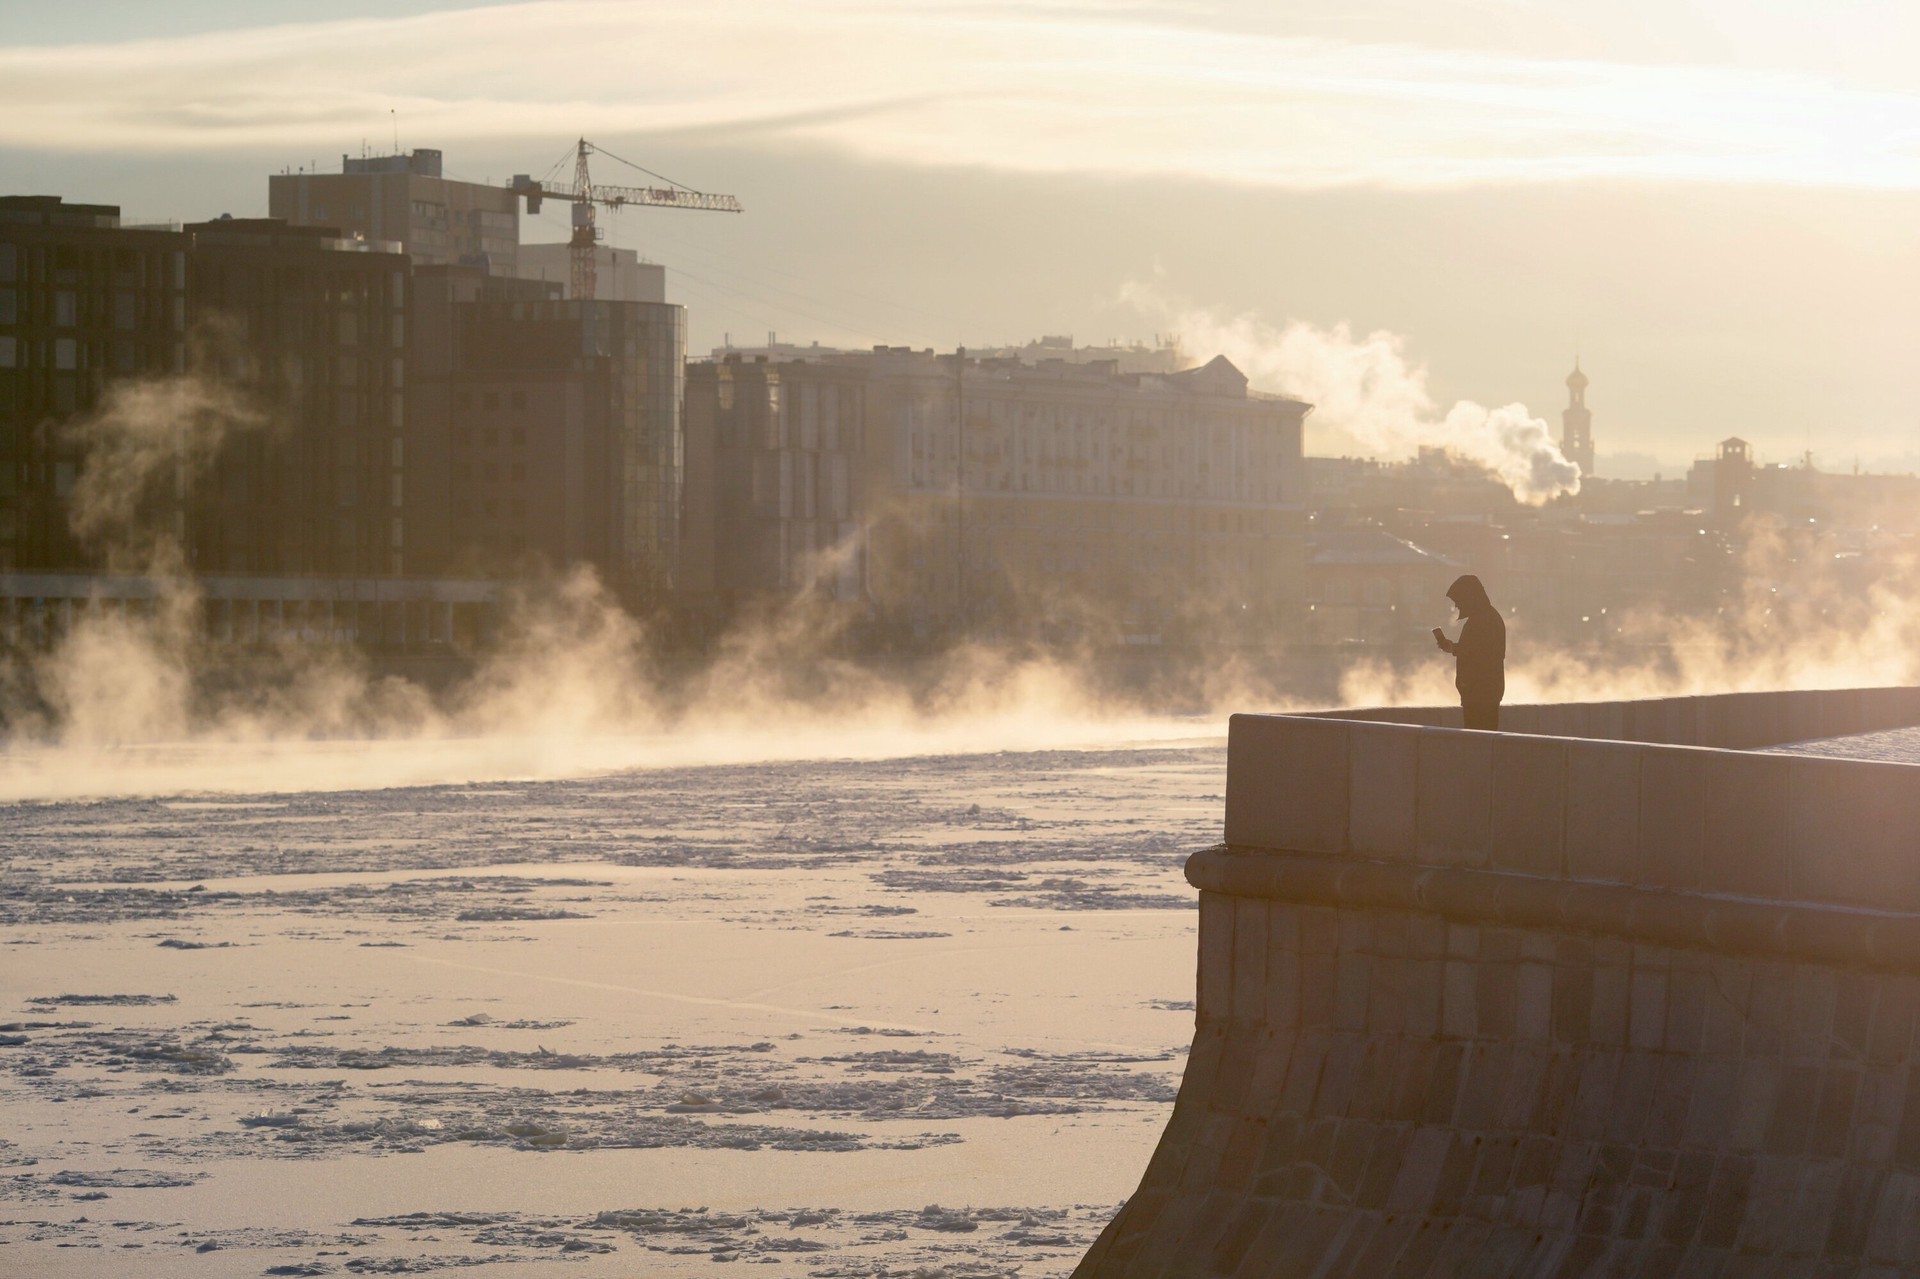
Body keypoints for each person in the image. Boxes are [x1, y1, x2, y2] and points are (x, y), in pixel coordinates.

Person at [1433, 574, 1506, 730]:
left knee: (1479, 741)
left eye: (1458, 601)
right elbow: (1476, 650)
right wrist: (1453, 648)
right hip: (1482, 694)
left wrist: (1455, 649)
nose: (1457, 606)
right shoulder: (1486, 618)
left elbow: (1481, 655)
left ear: (1469, 598)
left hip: (1480, 696)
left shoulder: (1483, 621)